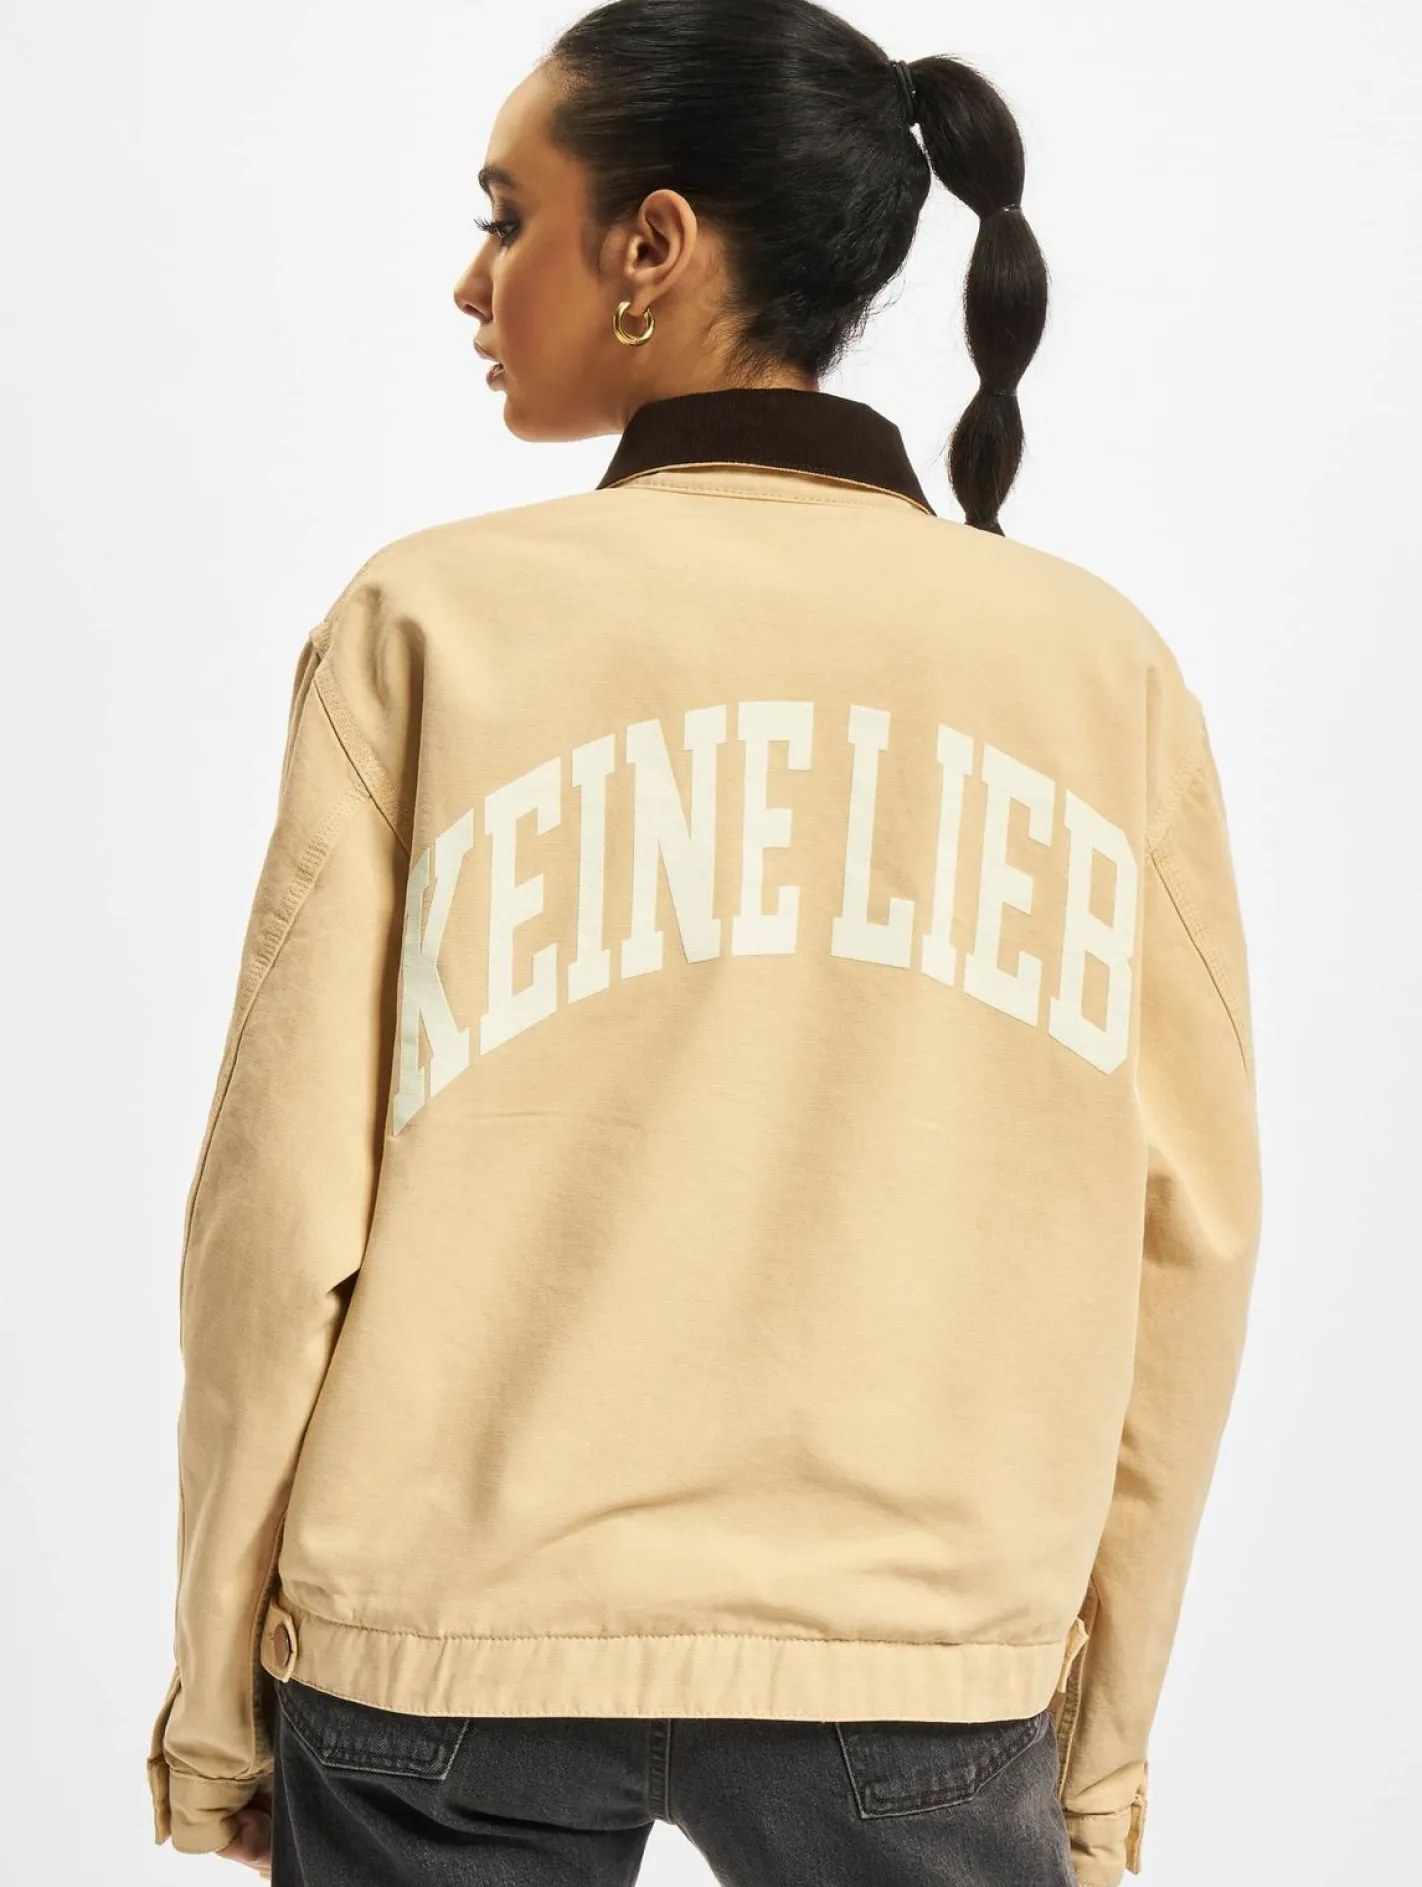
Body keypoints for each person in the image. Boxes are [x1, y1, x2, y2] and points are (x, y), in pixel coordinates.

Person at [145, 3, 1263, 1884]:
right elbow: (1191, 1249)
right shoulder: (1094, 669)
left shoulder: (431, 622)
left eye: (508, 216)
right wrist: (1097, 1744)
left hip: (437, 1642)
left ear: (651, 244)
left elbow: (271, 1220)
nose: (472, 279)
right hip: (916, 1652)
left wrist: (215, 1700)